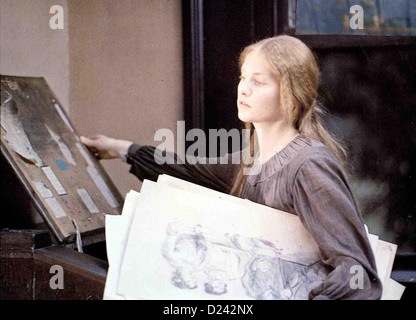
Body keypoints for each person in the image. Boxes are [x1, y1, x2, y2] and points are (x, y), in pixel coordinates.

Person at [81, 35, 382, 300]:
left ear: (291, 93)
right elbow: (186, 168)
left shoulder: (310, 164)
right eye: (243, 77)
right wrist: (120, 149)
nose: (244, 89)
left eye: (258, 81)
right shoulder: (253, 159)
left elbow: (356, 272)